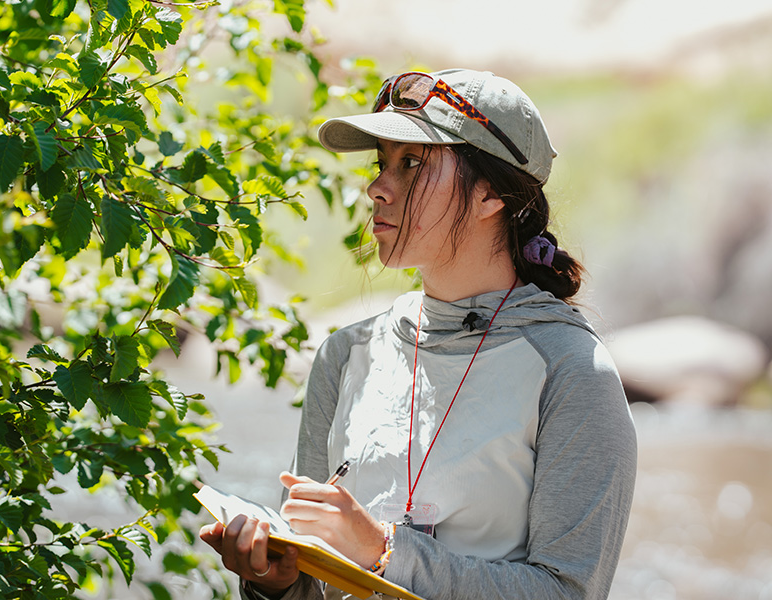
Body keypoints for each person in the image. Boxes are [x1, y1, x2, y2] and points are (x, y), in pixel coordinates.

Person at [200, 68, 637, 600]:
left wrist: (386, 553)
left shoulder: (572, 371)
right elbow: (310, 584)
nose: (377, 188)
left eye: (411, 163)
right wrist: (275, 581)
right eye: (381, 163)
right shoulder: (344, 355)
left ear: (490, 195)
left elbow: (569, 592)